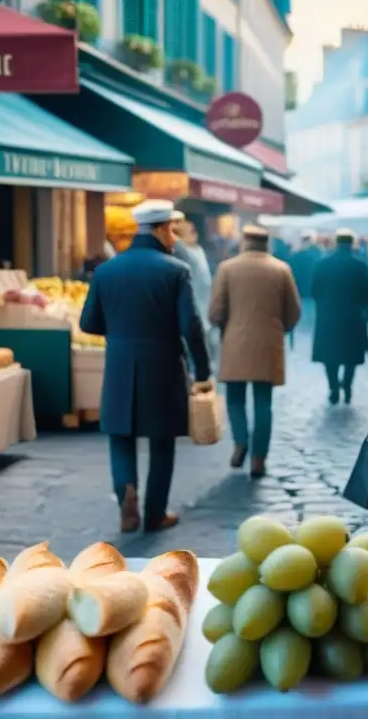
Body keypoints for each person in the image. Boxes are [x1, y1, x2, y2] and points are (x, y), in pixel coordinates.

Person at [79, 200, 211, 533]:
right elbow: (191, 326)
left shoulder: (106, 270)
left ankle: (127, 497)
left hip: (121, 365)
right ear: (162, 229)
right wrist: (204, 370)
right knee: (162, 440)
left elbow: (88, 323)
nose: (175, 238)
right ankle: (154, 513)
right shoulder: (175, 271)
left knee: (120, 436)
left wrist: (122, 331)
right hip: (163, 366)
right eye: (173, 230)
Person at [209, 225, 301, 478]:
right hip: (268, 344)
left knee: (235, 399)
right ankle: (259, 458)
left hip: (235, 342)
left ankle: (240, 442)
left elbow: (215, 312)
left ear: (244, 243)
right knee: (264, 403)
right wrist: (279, 329)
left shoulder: (226, 269)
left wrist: (226, 326)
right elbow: (294, 311)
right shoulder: (281, 269)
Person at [312, 228, 368, 405]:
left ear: (336, 243)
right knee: (350, 356)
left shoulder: (321, 264)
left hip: (328, 316)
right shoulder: (360, 266)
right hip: (352, 316)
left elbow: (314, 291)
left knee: (329, 356)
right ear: (351, 244)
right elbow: (367, 293)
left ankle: (333, 388)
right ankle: (346, 384)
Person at [172, 220, 215, 360]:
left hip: (202, 312)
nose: (195, 234)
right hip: (192, 314)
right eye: (191, 232)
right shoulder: (184, 253)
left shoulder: (198, 251)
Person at [289, 232, 321, 328]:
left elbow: (293, 271)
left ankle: (304, 325)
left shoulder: (297, 255)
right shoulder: (317, 254)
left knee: (304, 306)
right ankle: (309, 324)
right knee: (311, 307)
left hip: (301, 286)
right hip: (313, 285)